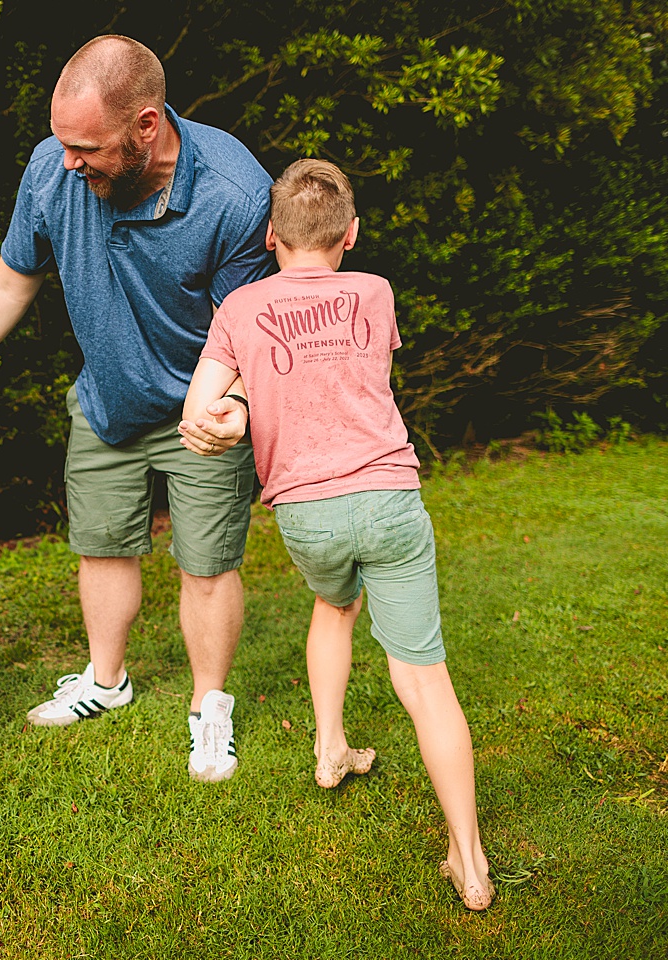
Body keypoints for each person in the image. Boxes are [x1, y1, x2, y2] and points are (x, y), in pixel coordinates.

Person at [0, 36, 271, 781]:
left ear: (147, 127)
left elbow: (250, 328)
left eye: (87, 147)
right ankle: (105, 681)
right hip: (106, 399)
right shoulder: (52, 166)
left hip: (205, 409)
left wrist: (240, 405)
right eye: (63, 143)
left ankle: (210, 707)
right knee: (102, 544)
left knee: (208, 565)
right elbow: (11, 278)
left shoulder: (234, 193)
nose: (68, 162)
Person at [179, 158, 494, 910]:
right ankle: (471, 861)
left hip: (305, 513)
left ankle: (331, 749)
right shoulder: (375, 292)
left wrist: (227, 418)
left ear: (269, 235)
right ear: (351, 233)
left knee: (334, 606)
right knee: (423, 679)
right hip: (387, 495)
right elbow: (349, 375)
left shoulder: (240, 307)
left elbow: (200, 411)